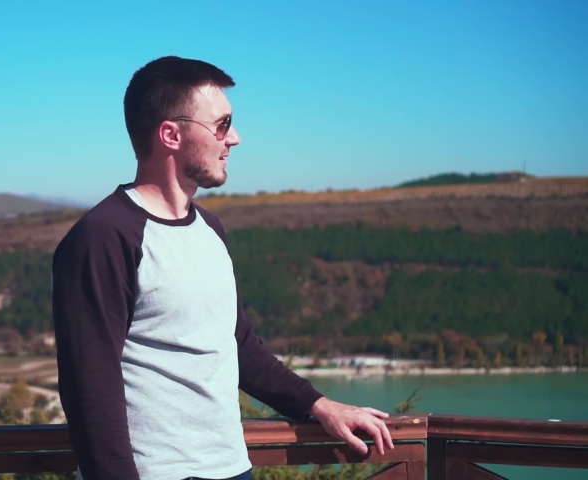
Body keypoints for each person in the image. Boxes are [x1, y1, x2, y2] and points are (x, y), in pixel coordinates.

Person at [51, 55, 394, 480]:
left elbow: (238, 344)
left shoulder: (209, 229)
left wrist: (319, 405)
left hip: (231, 468)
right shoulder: (103, 237)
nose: (234, 138)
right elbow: (89, 388)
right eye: (222, 125)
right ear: (171, 134)